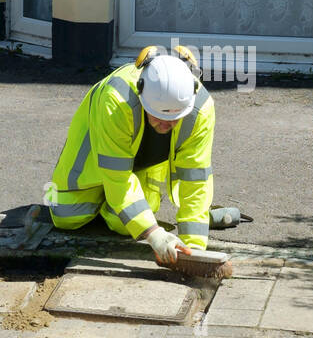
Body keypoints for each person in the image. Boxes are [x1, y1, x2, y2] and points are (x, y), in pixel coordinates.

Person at [45, 44, 214, 266]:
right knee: (63, 215)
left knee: (123, 225)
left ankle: (112, 208)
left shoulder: (201, 109)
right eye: (157, 116)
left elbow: (196, 178)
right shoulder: (116, 100)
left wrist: (193, 250)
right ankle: (58, 192)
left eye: (175, 118)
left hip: (143, 165)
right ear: (141, 93)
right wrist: (155, 234)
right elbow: (118, 176)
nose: (166, 125)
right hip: (92, 159)